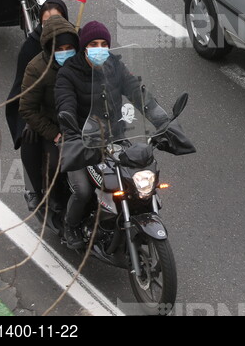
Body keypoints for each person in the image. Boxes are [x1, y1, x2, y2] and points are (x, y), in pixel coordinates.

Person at [54, 21, 169, 251]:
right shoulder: (68, 74)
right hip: (81, 140)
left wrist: (163, 120)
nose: (100, 49)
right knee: (83, 190)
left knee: (136, 179)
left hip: (115, 138)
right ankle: (71, 225)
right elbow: (65, 105)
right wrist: (71, 130)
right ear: (85, 47)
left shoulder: (115, 66)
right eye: (94, 44)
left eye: (104, 44)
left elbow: (138, 93)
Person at [6, 0, 70, 212]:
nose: (51, 26)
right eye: (46, 22)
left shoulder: (74, 45)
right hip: (40, 111)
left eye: (57, 20)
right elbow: (24, 96)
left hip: (71, 113)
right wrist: (33, 123)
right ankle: (38, 190)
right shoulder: (32, 52)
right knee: (31, 139)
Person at [18, 14, 79, 233]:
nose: (65, 52)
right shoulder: (36, 69)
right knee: (58, 163)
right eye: (60, 48)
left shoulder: (83, 64)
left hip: (82, 127)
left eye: (69, 47)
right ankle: (55, 200)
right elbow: (27, 108)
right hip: (52, 129)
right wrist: (54, 134)